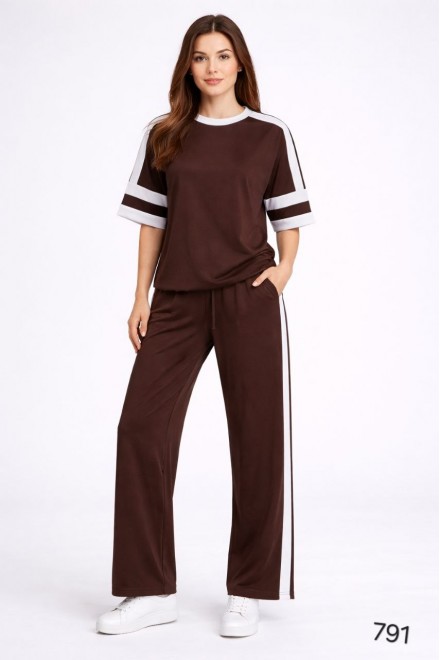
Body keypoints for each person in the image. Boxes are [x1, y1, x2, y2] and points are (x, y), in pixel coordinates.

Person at [96, 13, 315, 638]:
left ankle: (247, 589)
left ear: (239, 63)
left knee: (257, 437)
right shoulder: (165, 133)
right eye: (200, 57)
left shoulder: (269, 134)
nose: (212, 67)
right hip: (176, 300)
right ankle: (149, 590)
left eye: (222, 55)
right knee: (140, 429)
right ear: (187, 67)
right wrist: (140, 295)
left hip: (248, 296)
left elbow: (289, 216)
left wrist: (283, 272)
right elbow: (152, 221)